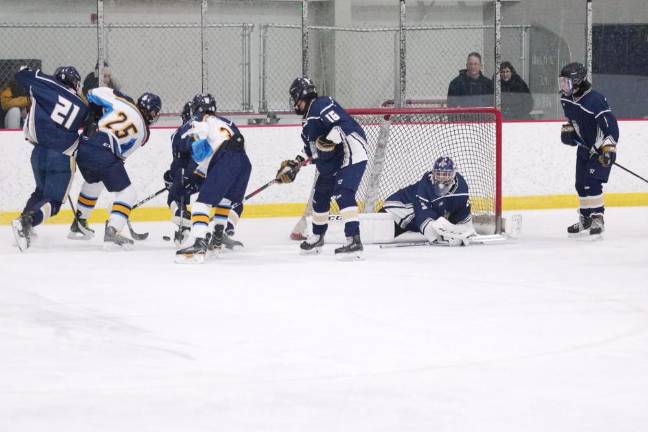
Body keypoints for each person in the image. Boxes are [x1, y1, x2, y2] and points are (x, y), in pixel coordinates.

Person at [275, 77, 368, 260]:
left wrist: (330, 139)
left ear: (301, 96)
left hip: (352, 149)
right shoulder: (308, 122)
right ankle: (317, 237)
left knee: (343, 192)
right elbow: (312, 149)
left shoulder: (322, 104)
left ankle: (354, 240)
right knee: (320, 194)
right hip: (335, 158)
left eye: (295, 98)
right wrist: (296, 164)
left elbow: (341, 124)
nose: (295, 103)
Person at [68, 87, 161, 248]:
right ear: (152, 114)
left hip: (84, 144)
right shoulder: (144, 134)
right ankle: (112, 230)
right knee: (128, 194)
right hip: (104, 150)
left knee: (95, 182)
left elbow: (91, 93)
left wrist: (95, 115)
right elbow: (121, 154)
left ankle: (79, 223)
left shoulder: (122, 102)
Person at [10, 66, 89, 252]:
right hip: (61, 155)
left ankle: (23, 225)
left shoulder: (43, 81)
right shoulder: (82, 107)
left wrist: (28, 71)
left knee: (40, 192)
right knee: (53, 202)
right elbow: (88, 127)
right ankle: (25, 223)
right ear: (74, 83)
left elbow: (20, 74)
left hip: (38, 153)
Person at [165, 93, 244, 249]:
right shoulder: (228, 123)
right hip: (227, 168)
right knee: (234, 200)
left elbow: (179, 163)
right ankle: (223, 229)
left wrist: (173, 178)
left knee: (179, 186)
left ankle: (185, 224)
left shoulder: (186, 128)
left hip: (198, 173)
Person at [559, 62, 618, 238]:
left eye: (566, 81)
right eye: (562, 81)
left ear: (577, 82)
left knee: (591, 182)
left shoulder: (595, 100)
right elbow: (573, 121)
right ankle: (585, 219)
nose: (563, 85)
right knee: (580, 184)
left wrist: (608, 148)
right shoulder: (566, 99)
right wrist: (569, 131)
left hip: (600, 148)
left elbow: (611, 127)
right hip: (584, 149)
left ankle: (597, 218)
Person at [380, 156, 476, 246]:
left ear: (453, 174)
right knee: (378, 235)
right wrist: (443, 236)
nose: (441, 178)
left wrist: (464, 231)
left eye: (445, 174)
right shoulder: (426, 185)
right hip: (394, 211)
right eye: (438, 174)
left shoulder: (461, 187)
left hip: (411, 220)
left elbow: (462, 215)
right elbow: (423, 216)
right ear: (433, 173)